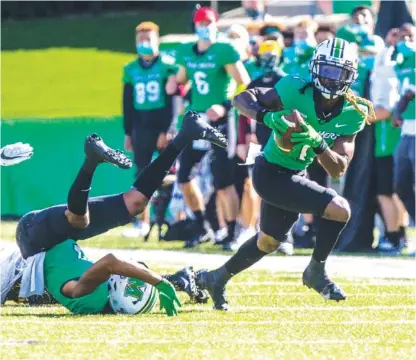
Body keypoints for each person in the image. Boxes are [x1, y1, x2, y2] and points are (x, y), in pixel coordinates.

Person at [196, 38, 376, 310]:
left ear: (350, 75)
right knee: (339, 209)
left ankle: (215, 278)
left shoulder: (355, 111)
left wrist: (318, 143)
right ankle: (317, 271)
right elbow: (242, 98)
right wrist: (267, 118)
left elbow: (337, 169)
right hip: (269, 172)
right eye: (326, 70)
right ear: (315, 69)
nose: (331, 79)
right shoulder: (294, 88)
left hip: (296, 174)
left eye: (338, 72)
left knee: (268, 241)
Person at [15, 111, 227, 315]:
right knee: (136, 203)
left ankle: (91, 160)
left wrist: (160, 282)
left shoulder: (83, 294)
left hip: (34, 239)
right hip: (60, 238)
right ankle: (185, 134)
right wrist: (168, 282)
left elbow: (111, 261)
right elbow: (118, 271)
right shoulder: (103, 295)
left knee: (79, 219)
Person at [175, 7, 250, 250]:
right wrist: (175, 87)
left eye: (209, 22)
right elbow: (181, 80)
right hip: (196, 119)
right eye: (200, 22)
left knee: (223, 179)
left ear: (216, 24)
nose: (204, 26)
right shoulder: (187, 51)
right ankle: (202, 224)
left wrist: (225, 105)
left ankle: (232, 230)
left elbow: (244, 83)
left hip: (219, 119)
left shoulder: (225, 50)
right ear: (194, 25)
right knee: (184, 176)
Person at [122, 21, 179, 238]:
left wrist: (169, 128)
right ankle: (141, 221)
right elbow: (127, 101)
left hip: (162, 124)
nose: (144, 43)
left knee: (168, 173)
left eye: (148, 39)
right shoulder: (130, 68)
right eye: (141, 39)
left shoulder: (168, 65)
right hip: (141, 125)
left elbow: (173, 99)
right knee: (141, 174)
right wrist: (128, 131)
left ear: (157, 40)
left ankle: (168, 218)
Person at [392, 24, 415, 225]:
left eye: (410, 37)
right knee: (401, 185)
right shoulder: (399, 62)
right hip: (407, 131)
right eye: (402, 38)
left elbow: (410, 93)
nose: (406, 41)